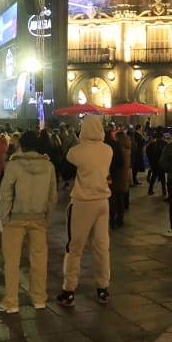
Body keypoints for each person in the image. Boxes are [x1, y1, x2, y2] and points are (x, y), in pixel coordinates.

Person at [0, 129, 56, 313]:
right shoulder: (48, 166)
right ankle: (39, 297)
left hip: (16, 217)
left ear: (21, 145)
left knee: (12, 261)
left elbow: (5, 194)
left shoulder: (14, 165)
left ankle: (11, 301)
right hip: (38, 217)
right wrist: (48, 218)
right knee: (39, 260)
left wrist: (4, 216)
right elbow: (52, 196)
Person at [58, 114, 114, 306]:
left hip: (82, 202)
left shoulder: (76, 152)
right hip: (103, 202)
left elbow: (66, 173)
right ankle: (103, 288)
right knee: (101, 246)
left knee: (75, 247)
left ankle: (69, 290)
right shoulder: (108, 150)